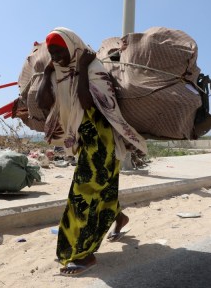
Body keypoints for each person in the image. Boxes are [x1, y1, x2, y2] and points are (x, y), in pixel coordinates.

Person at [36, 27, 147, 276]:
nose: (56, 57)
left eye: (60, 51)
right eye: (52, 53)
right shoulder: (58, 72)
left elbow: (89, 103)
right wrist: (46, 73)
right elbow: (43, 102)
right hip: (85, 143)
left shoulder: (94, 67)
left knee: (83, 195)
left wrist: (84, 69)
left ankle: (82, 254)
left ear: (73, 47)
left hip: (103, 141)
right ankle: (118, 218)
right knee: (102, 192)